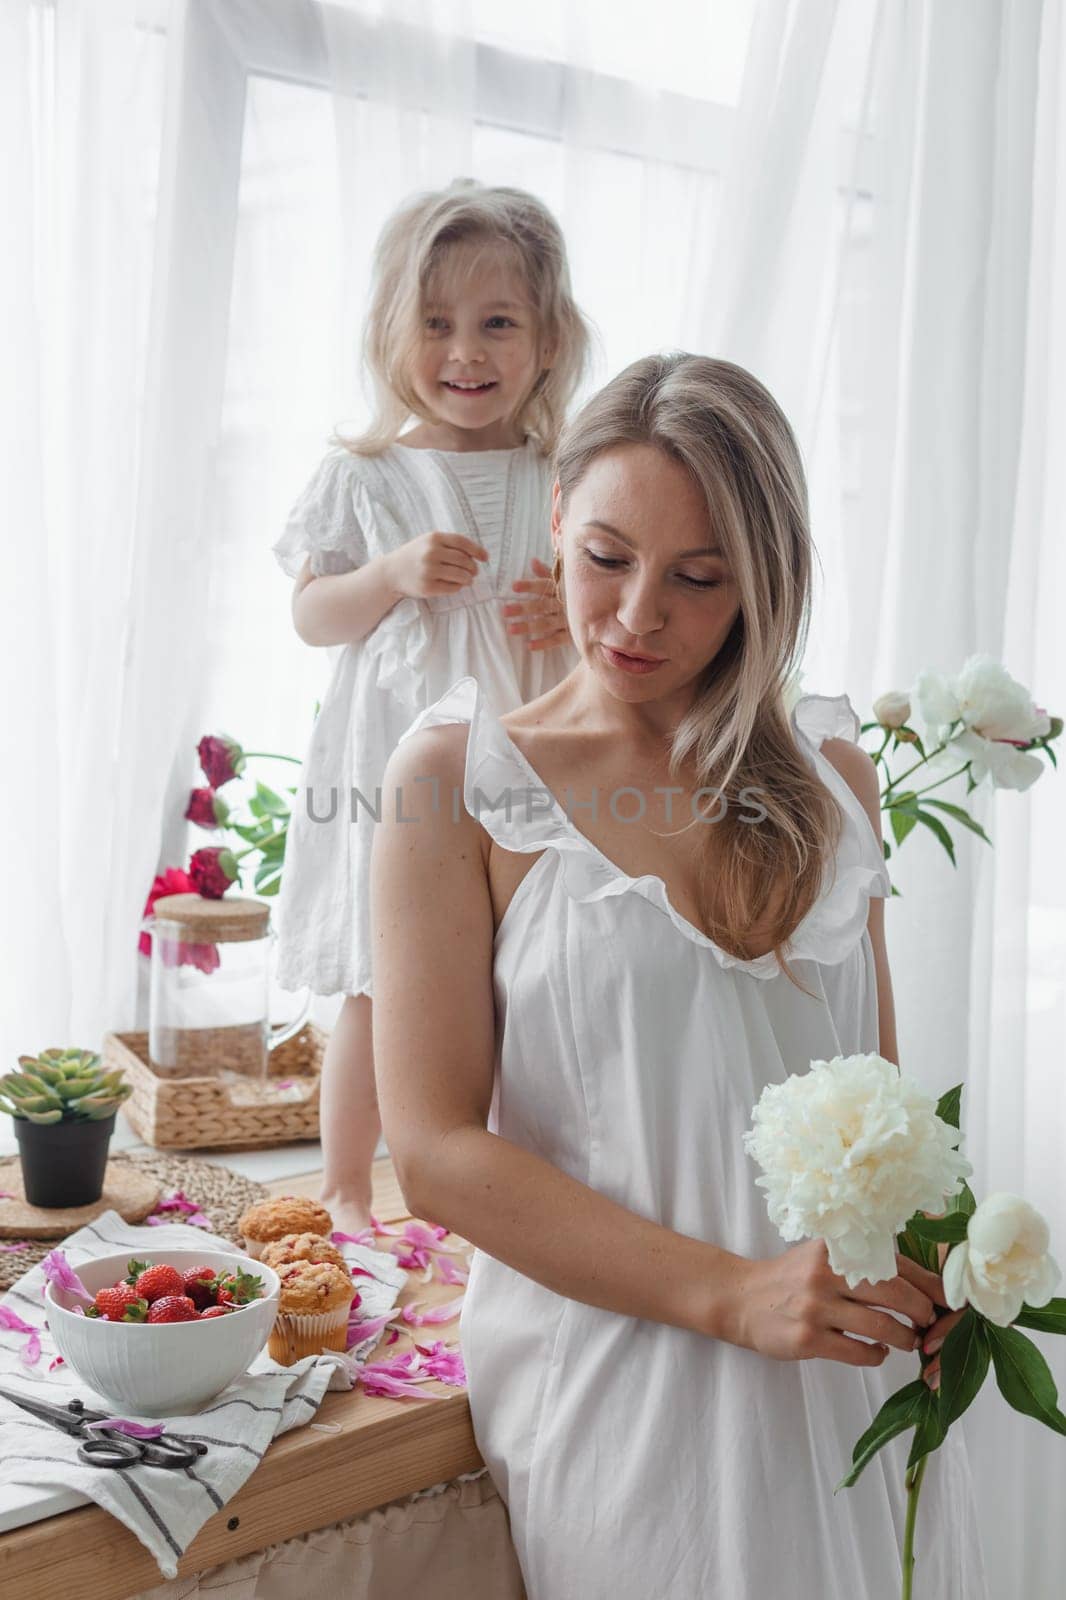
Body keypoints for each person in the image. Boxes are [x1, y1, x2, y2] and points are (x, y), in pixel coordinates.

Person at [370, 353, 988, 1597]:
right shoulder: (455, 785)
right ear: (554, 520)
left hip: (837, 1360)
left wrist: (935, 1273)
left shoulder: (832, 780)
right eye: (605, 557)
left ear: (765, 585)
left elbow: (880, 1110)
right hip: (618, 1385)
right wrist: (729, 1294)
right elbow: (433, 1149)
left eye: (699, 579)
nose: (637, 615)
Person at [273, 180, 591, 1233]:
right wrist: (392, 576)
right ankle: (346, 1184)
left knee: (514, 976)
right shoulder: (365, 474)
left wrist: (569, 611)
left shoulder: (568, 473)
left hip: (522, 748)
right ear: (392, 334)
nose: (467, 349)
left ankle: (476, 1190)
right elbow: (313, 614)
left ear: (547, 340)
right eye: (437, 323)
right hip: (394, 767)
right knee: (379, 979)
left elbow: (615, 617)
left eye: (498, 322)